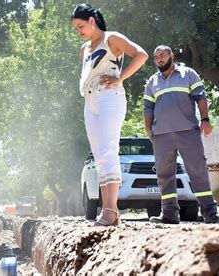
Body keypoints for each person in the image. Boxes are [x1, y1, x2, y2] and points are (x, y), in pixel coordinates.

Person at [71, 4, 148, 226]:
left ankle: (110, 210)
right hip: (90, 101)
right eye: (76, 28)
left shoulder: (111, 38)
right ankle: (108, 210)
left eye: (81, 26)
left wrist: (120, 78)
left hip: (110, 97)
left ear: (92, 21)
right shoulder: (84, 49)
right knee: (99, 155)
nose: (79, 31)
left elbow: (141, 55)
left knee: (108, 150)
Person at [143, 45, 219, 224]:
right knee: (164, 175)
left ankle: (209, 212)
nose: (159, 59)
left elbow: (201, 96)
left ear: (171, 55)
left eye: (162, 55)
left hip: (187, 131)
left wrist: (204, 119)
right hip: (162, 135)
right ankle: (169, 214)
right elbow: (148, 108)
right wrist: (149, 130)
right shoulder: (152, 82)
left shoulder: (188, 73)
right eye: (156, 57)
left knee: (198, 170)